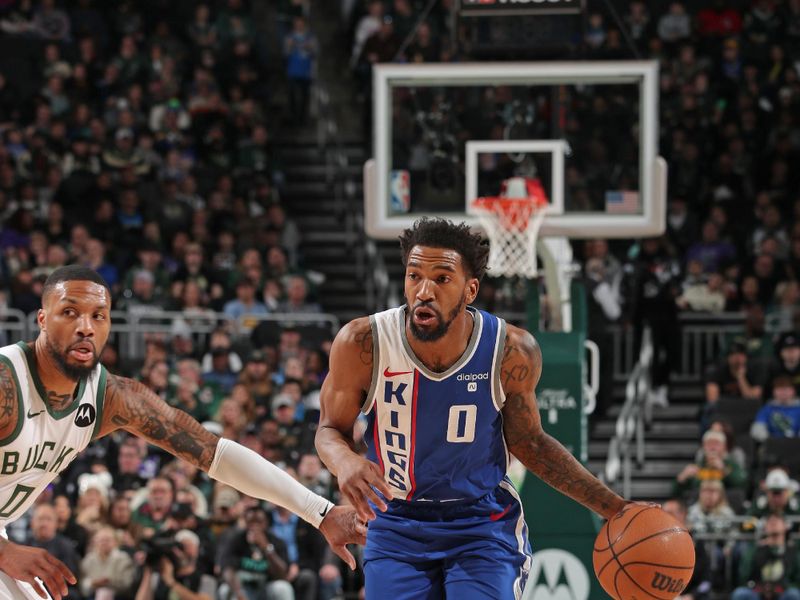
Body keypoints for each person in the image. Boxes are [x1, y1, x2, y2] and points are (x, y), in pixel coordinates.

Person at [0, 265, 365, 600]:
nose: (86, 327)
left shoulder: (111, 397)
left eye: (99, 316)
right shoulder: (6, 384)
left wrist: (321, 512)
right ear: (42, 319)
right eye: (70, 312)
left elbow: (215, 453)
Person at [315, 218, 631, 599]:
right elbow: (330, 430)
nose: (424, 291)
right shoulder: (361, 343)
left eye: (442, 278)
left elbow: (531, 443)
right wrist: (344, 461)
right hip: (396, 520)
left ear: (470, 289)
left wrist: (614, 507)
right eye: (414, 276)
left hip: (481, 523)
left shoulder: (511, 351)